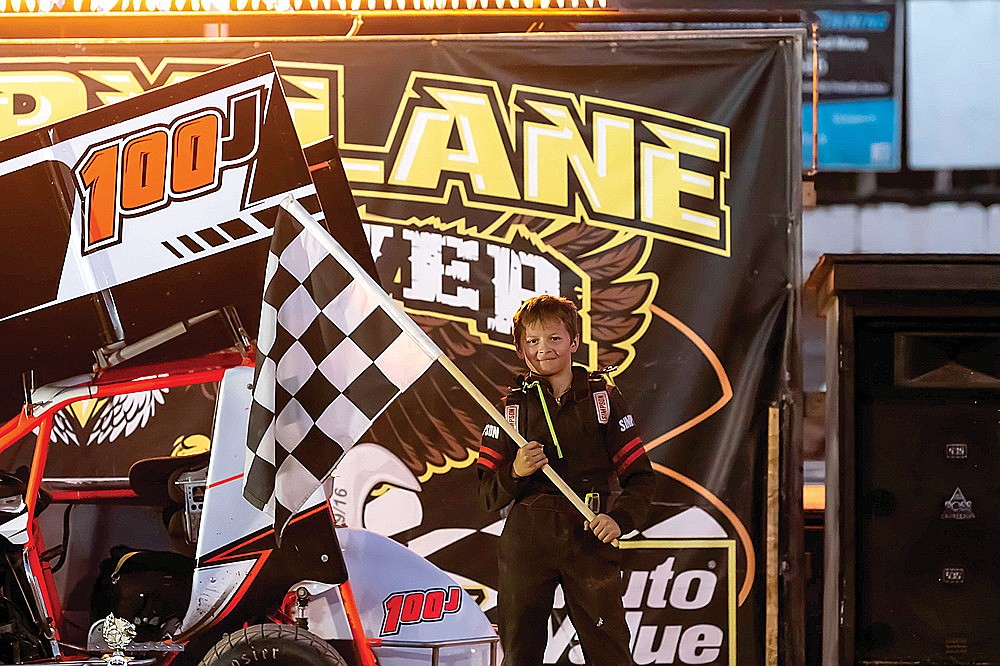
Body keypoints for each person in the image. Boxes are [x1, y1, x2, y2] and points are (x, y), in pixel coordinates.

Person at [477, 294, 654, 665]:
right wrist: (516, 472)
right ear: (520, 347)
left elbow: (640, 479)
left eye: (554, 339)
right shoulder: (508, 407)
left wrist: (618, 520)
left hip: (589, 536)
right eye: (533, 341)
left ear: (574, 342)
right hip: (526, 542)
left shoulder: (603, 399)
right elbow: (487, 496)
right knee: (519, 656)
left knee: (610, 654)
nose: (544, 349)